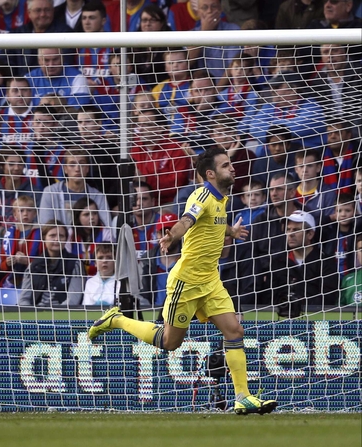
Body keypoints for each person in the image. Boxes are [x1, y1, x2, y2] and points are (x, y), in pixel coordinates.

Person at [88, 146, 278, 415]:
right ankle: (117, 319)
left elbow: (212, 220)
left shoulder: (222, 199)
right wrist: (172, 236)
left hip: (210, 280)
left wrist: (231, 231)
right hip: (186, 282)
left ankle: (242, 397)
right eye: (226, 165)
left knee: (234, 331)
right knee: (170, 342)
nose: (232, 168)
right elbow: (187, 220)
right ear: (210, 174)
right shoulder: (201, 195)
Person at [19, 220, 84, 306]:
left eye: (61, 236)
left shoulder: (75, 264)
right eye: (52, 235)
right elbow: (24, 299)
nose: (57, 239)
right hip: (36, 315)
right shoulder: (33, 265)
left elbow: (72, 301)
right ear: (44, 238)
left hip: (63, 315)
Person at [82, 242, 120, 307]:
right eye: (100, 258)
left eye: (109, 257)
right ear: (95, 263)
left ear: (115, 262)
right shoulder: (90, 282)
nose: (104, 261)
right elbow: (86, 306)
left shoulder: (121, 282)